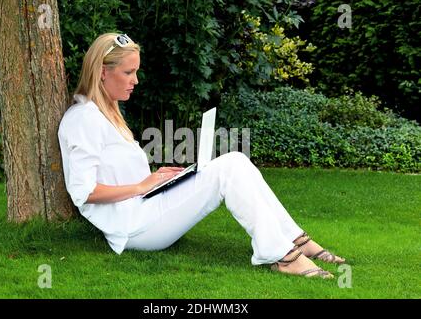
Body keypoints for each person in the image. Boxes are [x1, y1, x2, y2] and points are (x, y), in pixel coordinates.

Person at [58, 33, 345, 279]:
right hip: (133, 227)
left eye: (136, 71)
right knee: (229, 169)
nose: (135, 80)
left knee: (235, 160)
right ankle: (282, 256)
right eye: (128, 72)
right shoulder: (84, 119)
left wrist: (157, 179)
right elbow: (83, 192)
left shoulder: (107, 114)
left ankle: (295, 240)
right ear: (102, 72)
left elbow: (119, 174)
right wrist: (141, 186)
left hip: (144, 206)